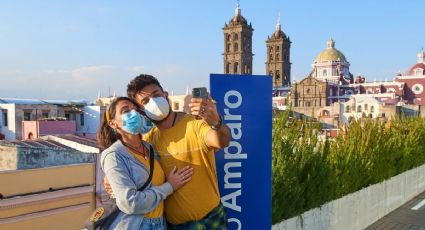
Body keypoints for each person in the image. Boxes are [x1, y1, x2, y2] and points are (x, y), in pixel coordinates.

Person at [126, 74, 232, 229]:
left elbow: (223, 141)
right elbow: (130, 169)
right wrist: (110, 181)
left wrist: (217, 122)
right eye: (146, 101)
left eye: (156, 95)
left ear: (166, 95)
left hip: (211, 220)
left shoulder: (195, 124)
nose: (154, 102)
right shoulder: (148, 142)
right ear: (141, 110)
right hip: (174, 226)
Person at [98, 97, 193, 229]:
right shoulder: (113, 155)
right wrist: (170, 186)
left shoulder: (150, 148)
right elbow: (130, 203)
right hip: (135, 225)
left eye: (135, 109)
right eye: (126, 110)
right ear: (113, 123)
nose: (134, 113)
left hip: (160, 223)